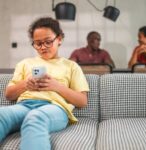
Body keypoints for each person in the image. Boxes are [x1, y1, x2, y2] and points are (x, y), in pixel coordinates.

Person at [0, 17, 89, 150]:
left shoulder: (71, 66)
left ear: (59, 39)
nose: (43, 47)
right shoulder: (25, 63)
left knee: (35, 118)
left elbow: (82, 101)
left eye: (48, 42)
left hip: (54, 108)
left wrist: (56, 86)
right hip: (24, 106)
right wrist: (26, 84)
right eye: (38, 43)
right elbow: (9, 95)